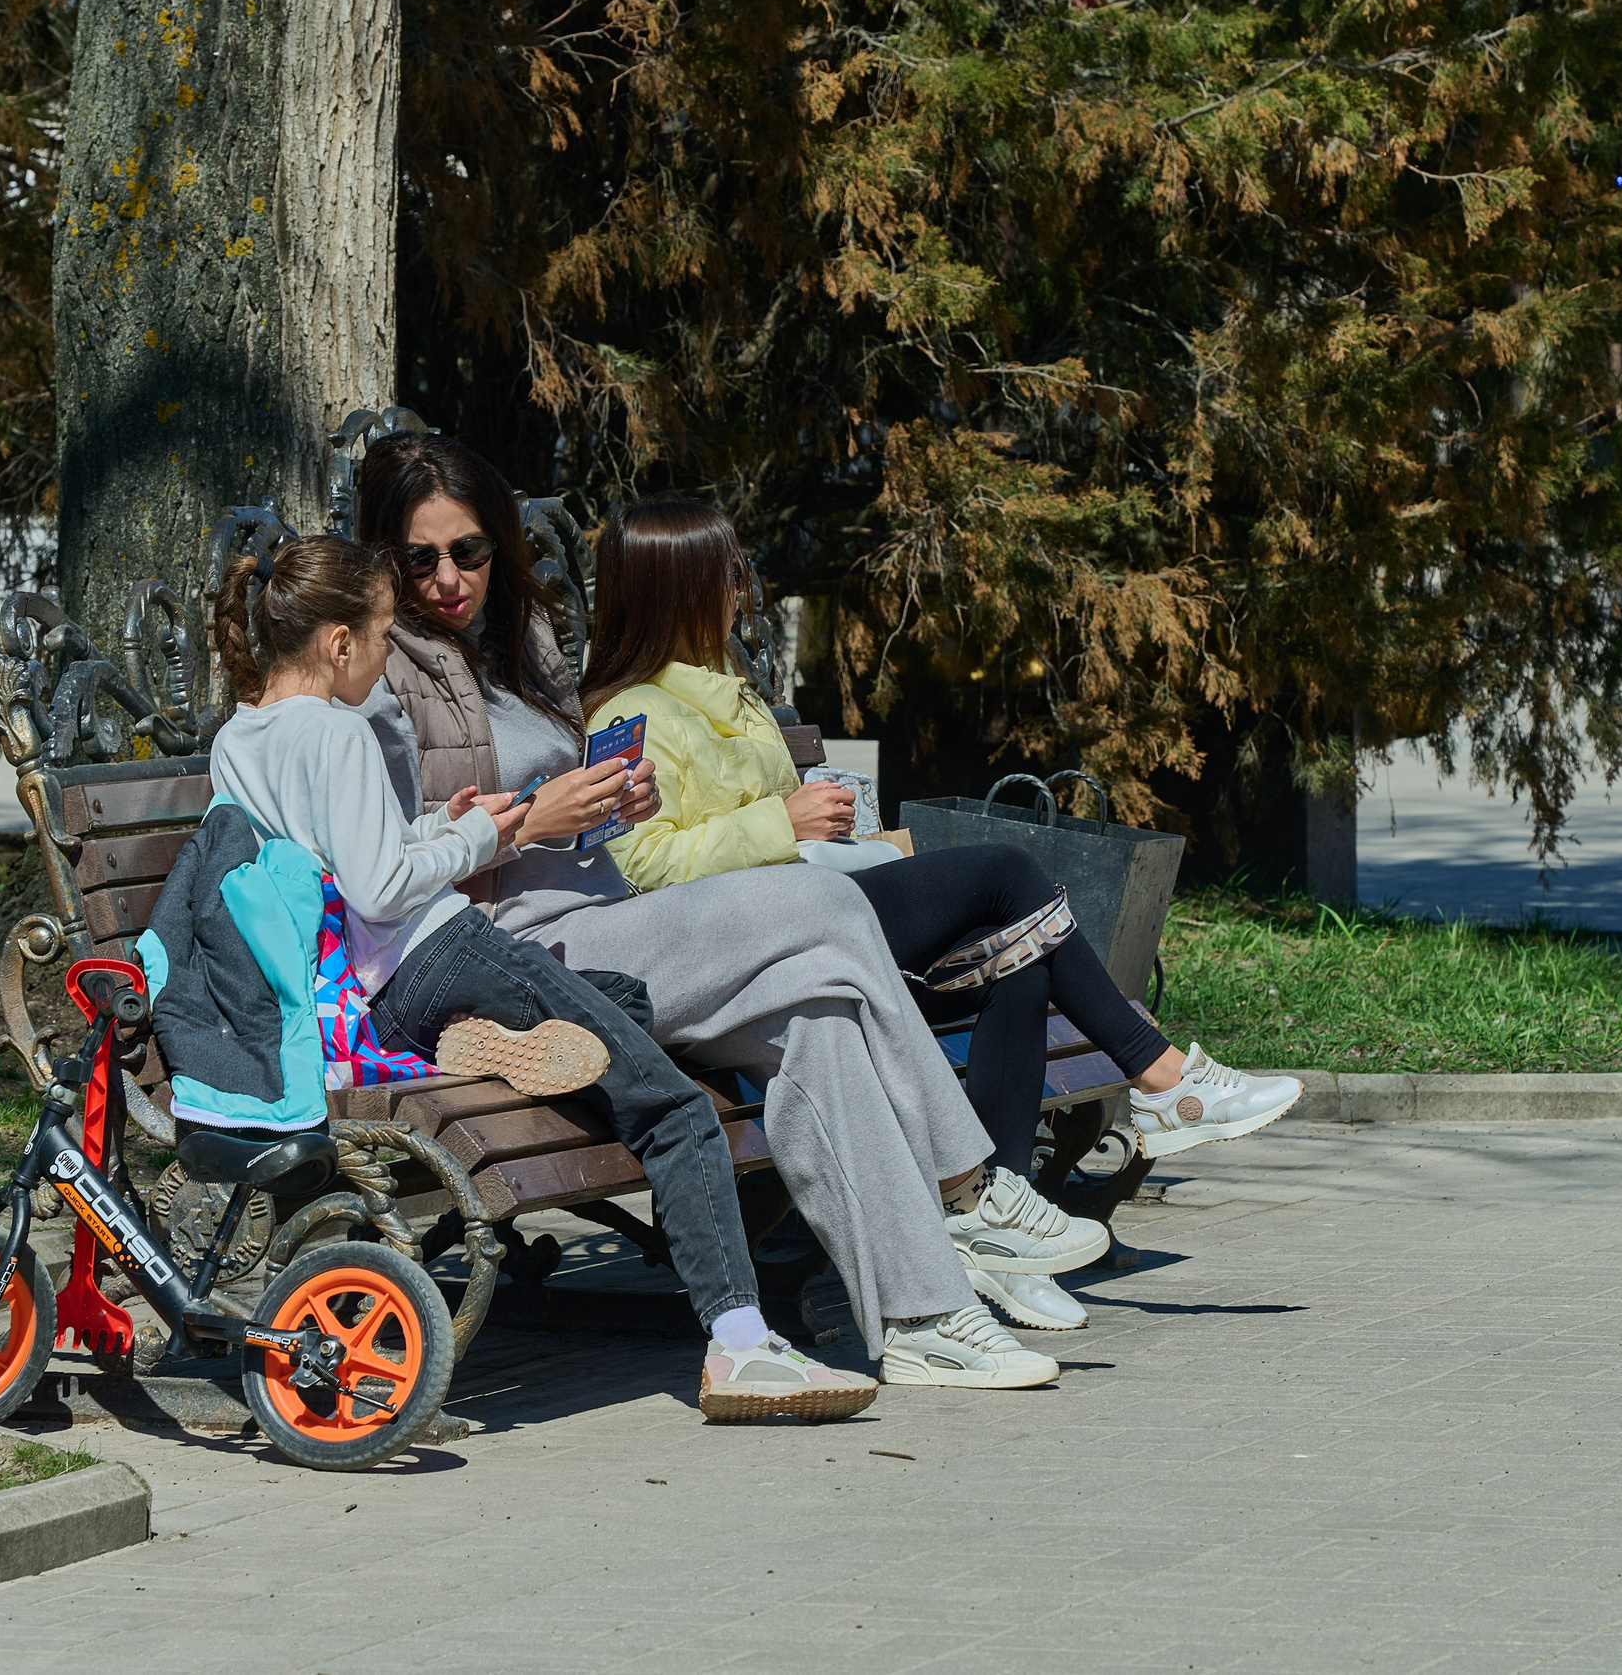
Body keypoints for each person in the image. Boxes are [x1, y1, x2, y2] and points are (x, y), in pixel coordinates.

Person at [351, 431, 1087, 1384]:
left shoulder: (520, 644)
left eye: (470, 550)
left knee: (821, 1013)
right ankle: (968, 1186)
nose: (450, 578)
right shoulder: (376, 674)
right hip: (510, 957)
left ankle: (924, 1317)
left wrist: (612, 804)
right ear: (386, 557)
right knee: (822, 901)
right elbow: (378, 866)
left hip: (606, 917)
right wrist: (528, 823)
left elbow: (576, 817)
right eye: (421, 559)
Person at [202, 530, 882, 1423]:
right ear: (338, 644)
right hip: (442, 952)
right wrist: (490, 834)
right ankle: (741, 1343)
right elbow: (381, 889)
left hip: (375, 1002)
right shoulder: (339, 730)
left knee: (620, 1007)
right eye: (380, 636)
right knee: (671, 1104)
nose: (385, 657)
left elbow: (326, 866)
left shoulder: (238, 739)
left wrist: (439, 825)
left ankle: (487, 1044)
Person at [576, 497, 1304, 1322]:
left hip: (814, 906)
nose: (742, 591)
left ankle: (1004, 1232)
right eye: (728, 574)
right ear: (675, 587)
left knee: (1017, 959)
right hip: (760, 946)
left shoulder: (732, 696)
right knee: (1005, 870)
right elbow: (639, 869)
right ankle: (1163, 1078)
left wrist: (835, 830)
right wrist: (781, 822)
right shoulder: (629, 714)